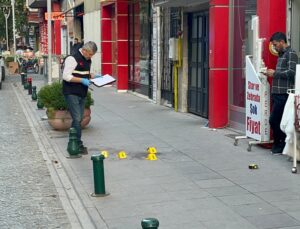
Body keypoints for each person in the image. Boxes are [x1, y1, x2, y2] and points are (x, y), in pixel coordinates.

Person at [62, 41, 99, 154]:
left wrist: (95, 76)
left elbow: (84, 73)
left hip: (82, 93)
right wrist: (82, 80)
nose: (91, 57)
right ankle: (75, 144)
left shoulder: (87, 59)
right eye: (90, 54)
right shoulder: (72, 59)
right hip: (71, 92)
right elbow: (66, 76)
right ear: (85, 50)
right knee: (77, 118)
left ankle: (76, 142)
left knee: (79, 119)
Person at [265, 32, 298, 154]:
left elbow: (291, 72)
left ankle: (281, 143)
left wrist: (275, 74)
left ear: (282, 42)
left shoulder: (291, 53)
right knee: (277, 120)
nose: (274, 47)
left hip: (284, 93)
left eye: (275, 45)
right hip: (277, 92)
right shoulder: (281, 54)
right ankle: (279, 143)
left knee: (274, 120)